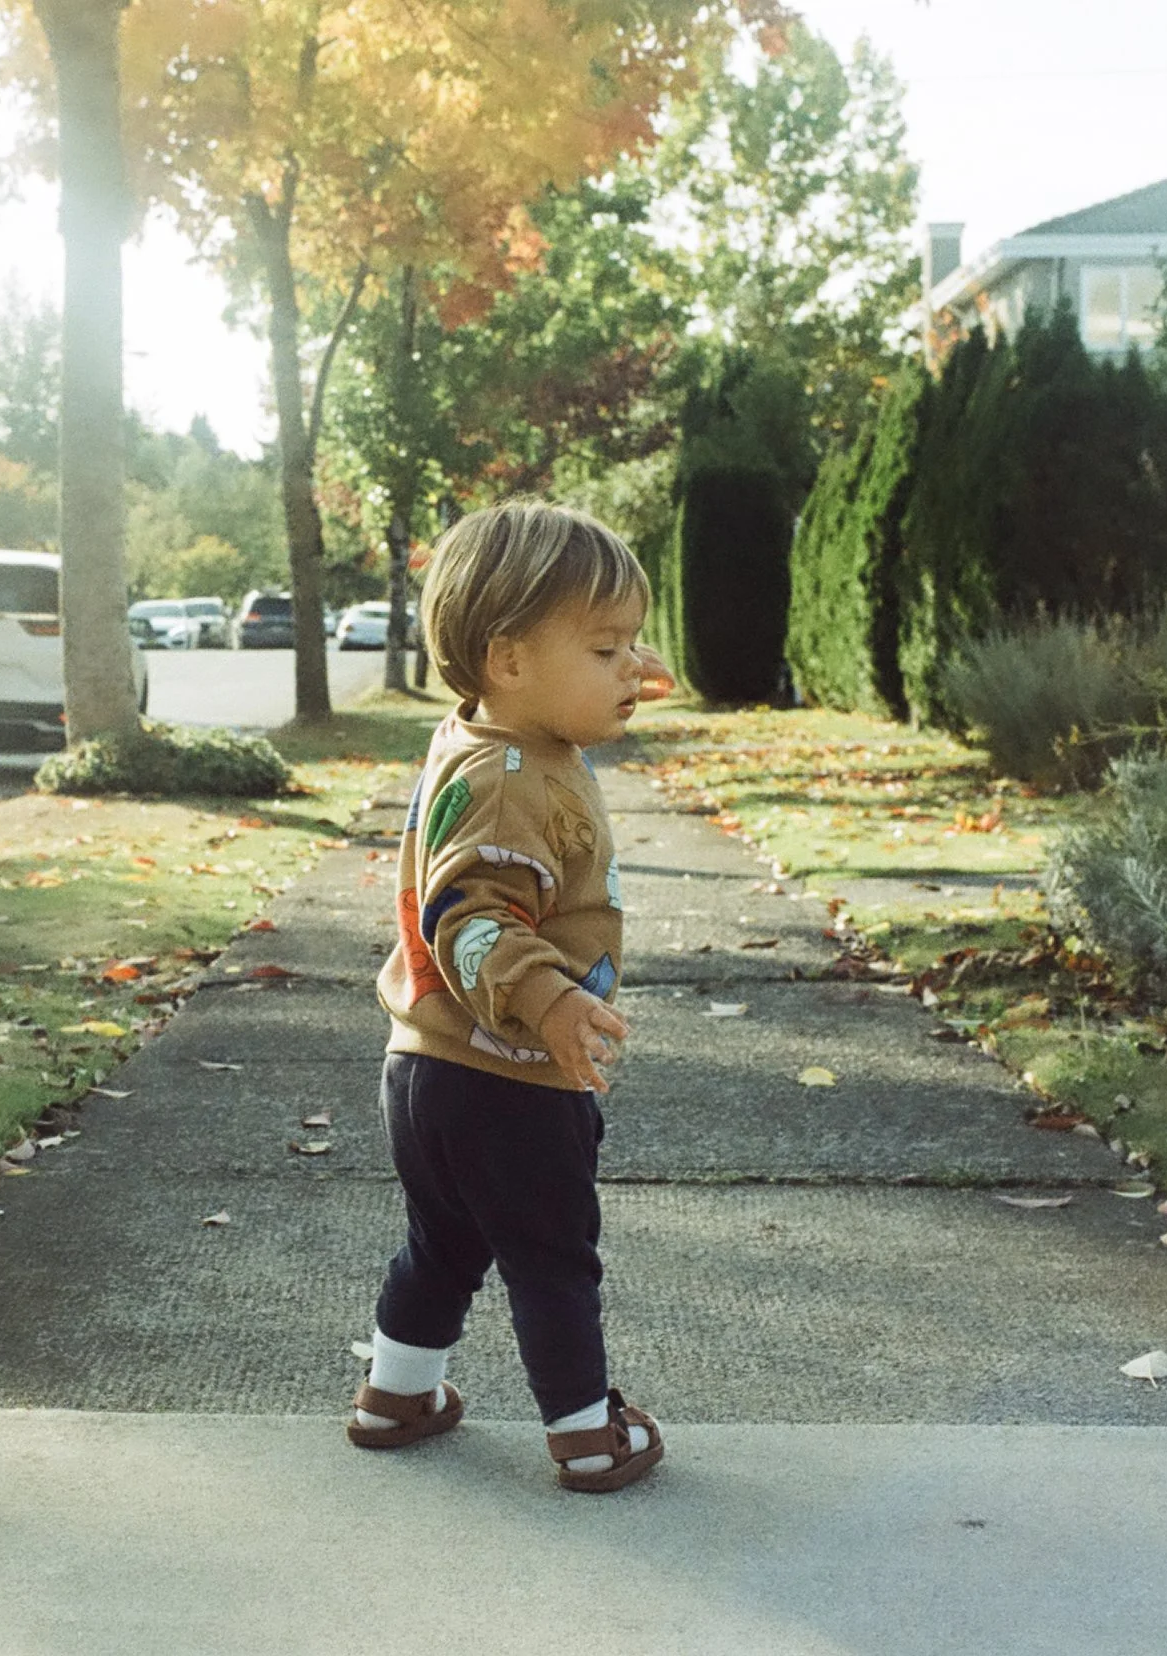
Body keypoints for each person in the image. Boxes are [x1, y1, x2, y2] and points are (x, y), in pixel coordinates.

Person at [347, 498, 668, 1494]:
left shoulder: (485, 739)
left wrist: (608, 680)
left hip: (426, 1071)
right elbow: (473, 916)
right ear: (509, 660)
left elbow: (471, 896)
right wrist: (551, 1005)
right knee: (550, 1257)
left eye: (631, 647)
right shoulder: (511, 781)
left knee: (443, 1243)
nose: (631, 667)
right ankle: (583, 1430)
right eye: (606, 649)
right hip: (508, 1075)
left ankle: (398, 1394)